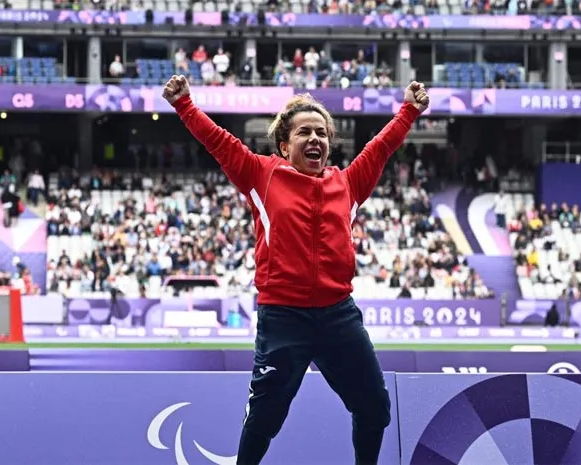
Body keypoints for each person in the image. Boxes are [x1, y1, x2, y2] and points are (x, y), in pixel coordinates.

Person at [163, 75, 430, 465]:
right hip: (283, 317)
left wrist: (408, 110)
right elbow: (219, 141)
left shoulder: (349, 184)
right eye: (304, 132)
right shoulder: (261, 175)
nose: (315, 139)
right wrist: (184, 104)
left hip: (339, 315)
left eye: (322, 133)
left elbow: (381, 147)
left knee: (375, 408)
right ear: (285, 145)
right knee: (265, 418)